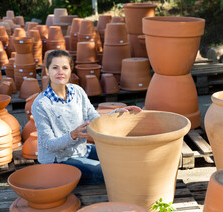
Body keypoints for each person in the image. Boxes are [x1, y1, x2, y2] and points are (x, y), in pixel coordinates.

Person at [31, 49, 141, 184]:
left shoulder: (77, 91)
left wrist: (116, 113)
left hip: (82, 149)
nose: (60, 72)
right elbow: (49, 145)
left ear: (70, 70)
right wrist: (73, 135)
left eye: (65, 68)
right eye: (55, 68)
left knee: (120, 157)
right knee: (110, 171)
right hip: (58, 160)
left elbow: (93, 118)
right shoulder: (41, 104)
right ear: (47, 71)